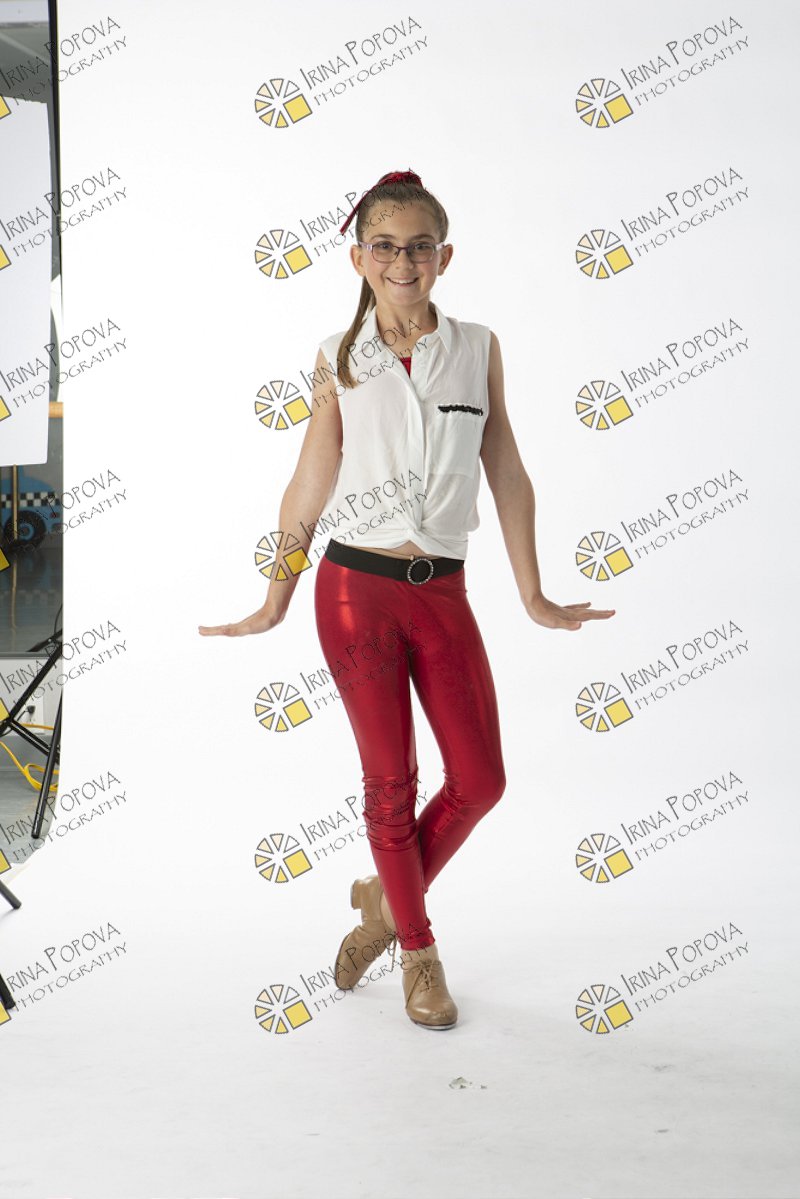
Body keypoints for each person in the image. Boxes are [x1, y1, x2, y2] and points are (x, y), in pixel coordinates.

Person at [199, 169, 616, 1031]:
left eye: (419, 246)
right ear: (358, 258)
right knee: (391, 782)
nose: (402, 261)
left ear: (444, 257)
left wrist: (534, 592)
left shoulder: (478, 347)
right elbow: (308, 484)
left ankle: (383, 902)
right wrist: (275, 596)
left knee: (482, 779)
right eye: (384, 246)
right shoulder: (337, 359)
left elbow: (506, 466)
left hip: (443, 592)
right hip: (356, 592)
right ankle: (418, 952)